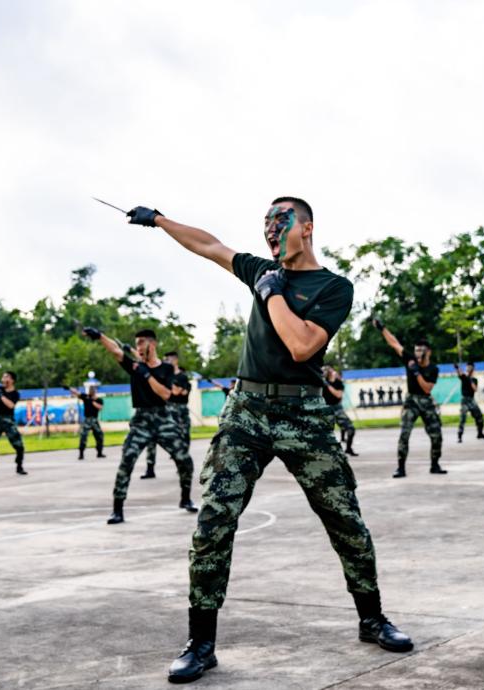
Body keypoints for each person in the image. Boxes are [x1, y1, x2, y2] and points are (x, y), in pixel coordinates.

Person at [125, 196, 412, 683]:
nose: (271, 232)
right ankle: (201, 641)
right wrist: (159, 220)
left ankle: (372, 618)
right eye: (266, 225)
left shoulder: (333, 287)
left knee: (344, 518)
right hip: (247, 411)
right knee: (214, 521)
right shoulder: (261, 270)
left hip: (304, 412)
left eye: (281, 222)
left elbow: (302, 345)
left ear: (308, 227)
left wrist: (272, 292)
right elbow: (210, 245)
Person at [83, 327, 197, 522]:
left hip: (163, 418)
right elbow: (116, 351)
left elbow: (166, 394)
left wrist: (147, 375)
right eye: (136, 344)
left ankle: (185, 498)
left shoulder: (166, 369)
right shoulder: (135, 367)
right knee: (126, 461)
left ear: (152, 345)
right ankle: (117, 509)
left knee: (185, 460)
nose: (138, 347)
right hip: (141, 421)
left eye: (141, 343)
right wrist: (100, 336)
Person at [373, 320, 445, 477]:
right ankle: (401, 467)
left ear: (429, 352)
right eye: (417, 350)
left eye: (421, 351)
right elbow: (395, 344)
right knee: (404, 434)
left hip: (426, 400)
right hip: (411, 401)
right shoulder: (410, 359)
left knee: (436, 434)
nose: (418, 354)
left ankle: (435, 465)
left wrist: (416, 372)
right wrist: (382, 328)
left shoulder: (433, 369)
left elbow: (427, 388)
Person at [140, 351, 193, 479]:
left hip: (180, 412)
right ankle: (150, 469)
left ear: (175, 360)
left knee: (180, 439)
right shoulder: (162, 374)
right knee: (151, 439)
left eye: (167, 359)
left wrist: (167, 388)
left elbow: (177, 392)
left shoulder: (182, 377)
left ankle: (182, 466)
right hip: (165, 410)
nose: (165, 362)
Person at [322, 365, 357, 456]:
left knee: (351, 429)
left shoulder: (338, 383)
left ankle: (348, 448)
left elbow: (338, 395)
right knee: (325, 432)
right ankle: (327, 452)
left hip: (337, 408)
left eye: (329, 370)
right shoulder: (321, 384)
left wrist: (328, 385)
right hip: (326, 409)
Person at [66, 384, 106, 460]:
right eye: (90, 390)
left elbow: (100, 407)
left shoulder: (98, 400)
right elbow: (77, 393)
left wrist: (93, 402)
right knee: (83, 436)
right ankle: (81, 454)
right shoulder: (85, 397)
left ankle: (99, 452)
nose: (91, 391)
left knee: (100, 436)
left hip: (94, 420)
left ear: (95, 391)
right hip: (87, 419)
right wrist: (69, 388)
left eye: (93, 390)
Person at [457, 362, 484, 443]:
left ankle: (480, 433)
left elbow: (475, 389)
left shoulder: (474, 380)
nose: (469, 369)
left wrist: (470, 379)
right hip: (465, 400)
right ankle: (459, 436)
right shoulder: (464, 377)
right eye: (468, 367)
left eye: (470, 367)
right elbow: (459, 373)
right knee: (463, 418)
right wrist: (457, 368)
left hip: (471, 400)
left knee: (479, 416)